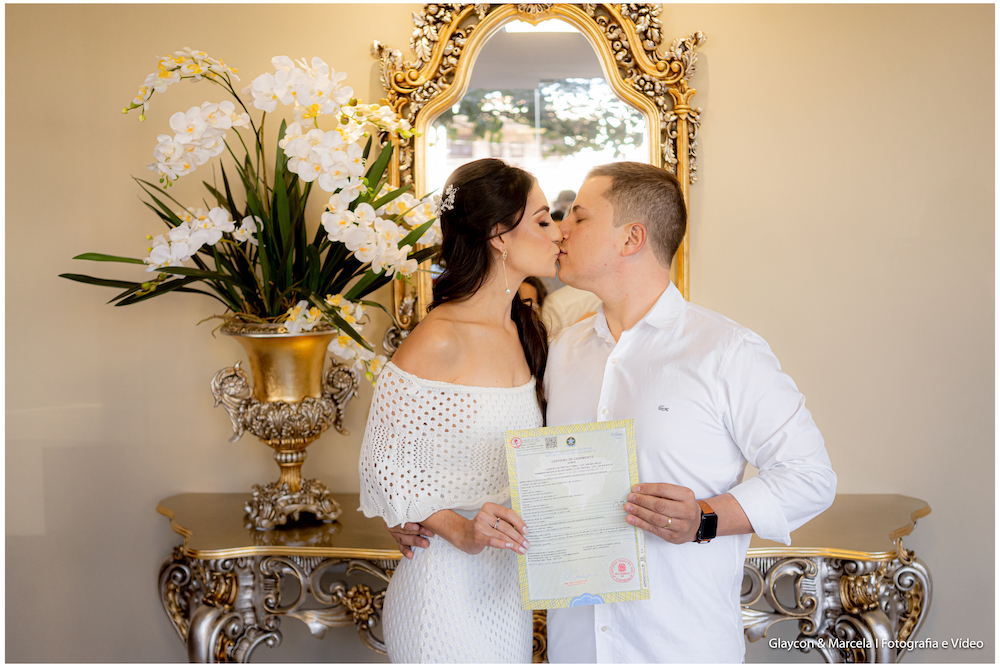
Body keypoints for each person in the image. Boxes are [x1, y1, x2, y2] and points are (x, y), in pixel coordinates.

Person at [544, 162, 837, 662]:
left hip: (680, 648)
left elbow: (811, 477)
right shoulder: (562, 351)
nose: (560, 229)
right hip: (576, 648)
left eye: (579, 216)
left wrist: (704, 518)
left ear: (631, 238)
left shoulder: (726, 351)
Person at [358, 158, 562, 663]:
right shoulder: (440, 337)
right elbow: (382, 464)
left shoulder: (523, 330)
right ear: (499, 235)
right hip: (441, 589)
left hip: (504, 589)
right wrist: (460, 530)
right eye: (542, 221)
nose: (558, 232)